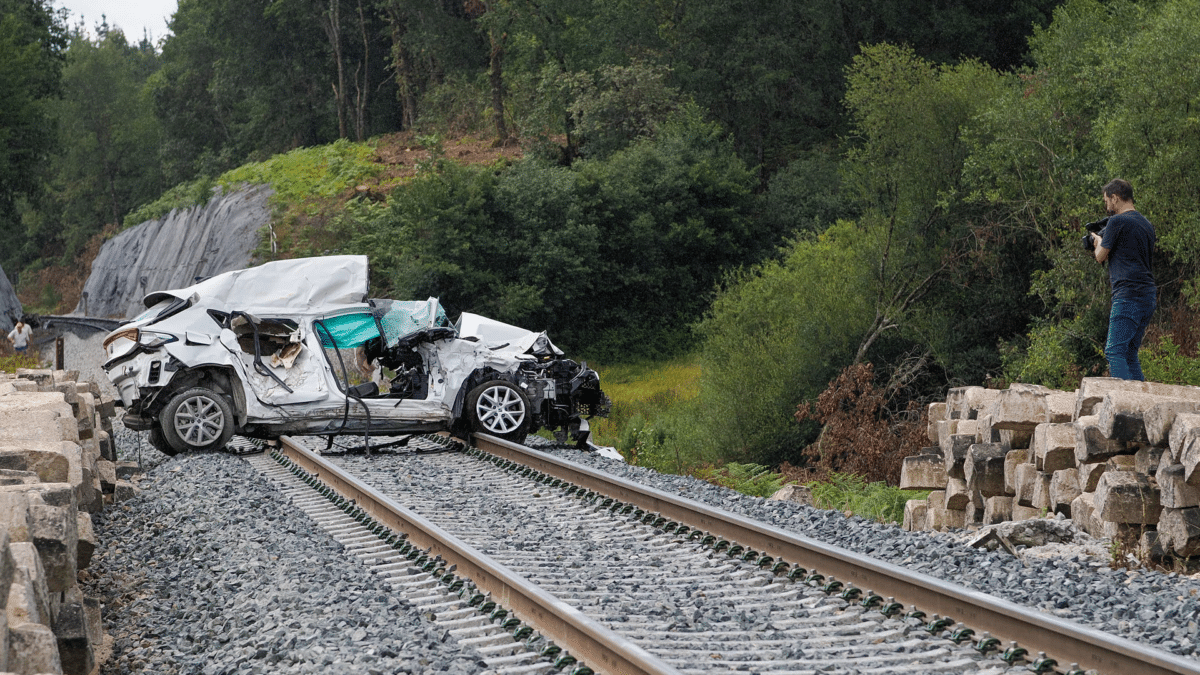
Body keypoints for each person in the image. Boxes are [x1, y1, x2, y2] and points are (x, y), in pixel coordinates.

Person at [1086, 178, 1156, 380]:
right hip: (1148, 295)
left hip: (1128, 295)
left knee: (1114, 351)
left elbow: (1100, 256)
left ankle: (1124, 405)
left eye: (1106, 201)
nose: (1106, 205)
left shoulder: (1117, 221)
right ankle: (1140, 403)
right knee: (1130, 354)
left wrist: (1098, 240)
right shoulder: (1146, 224)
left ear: (1115, 198)